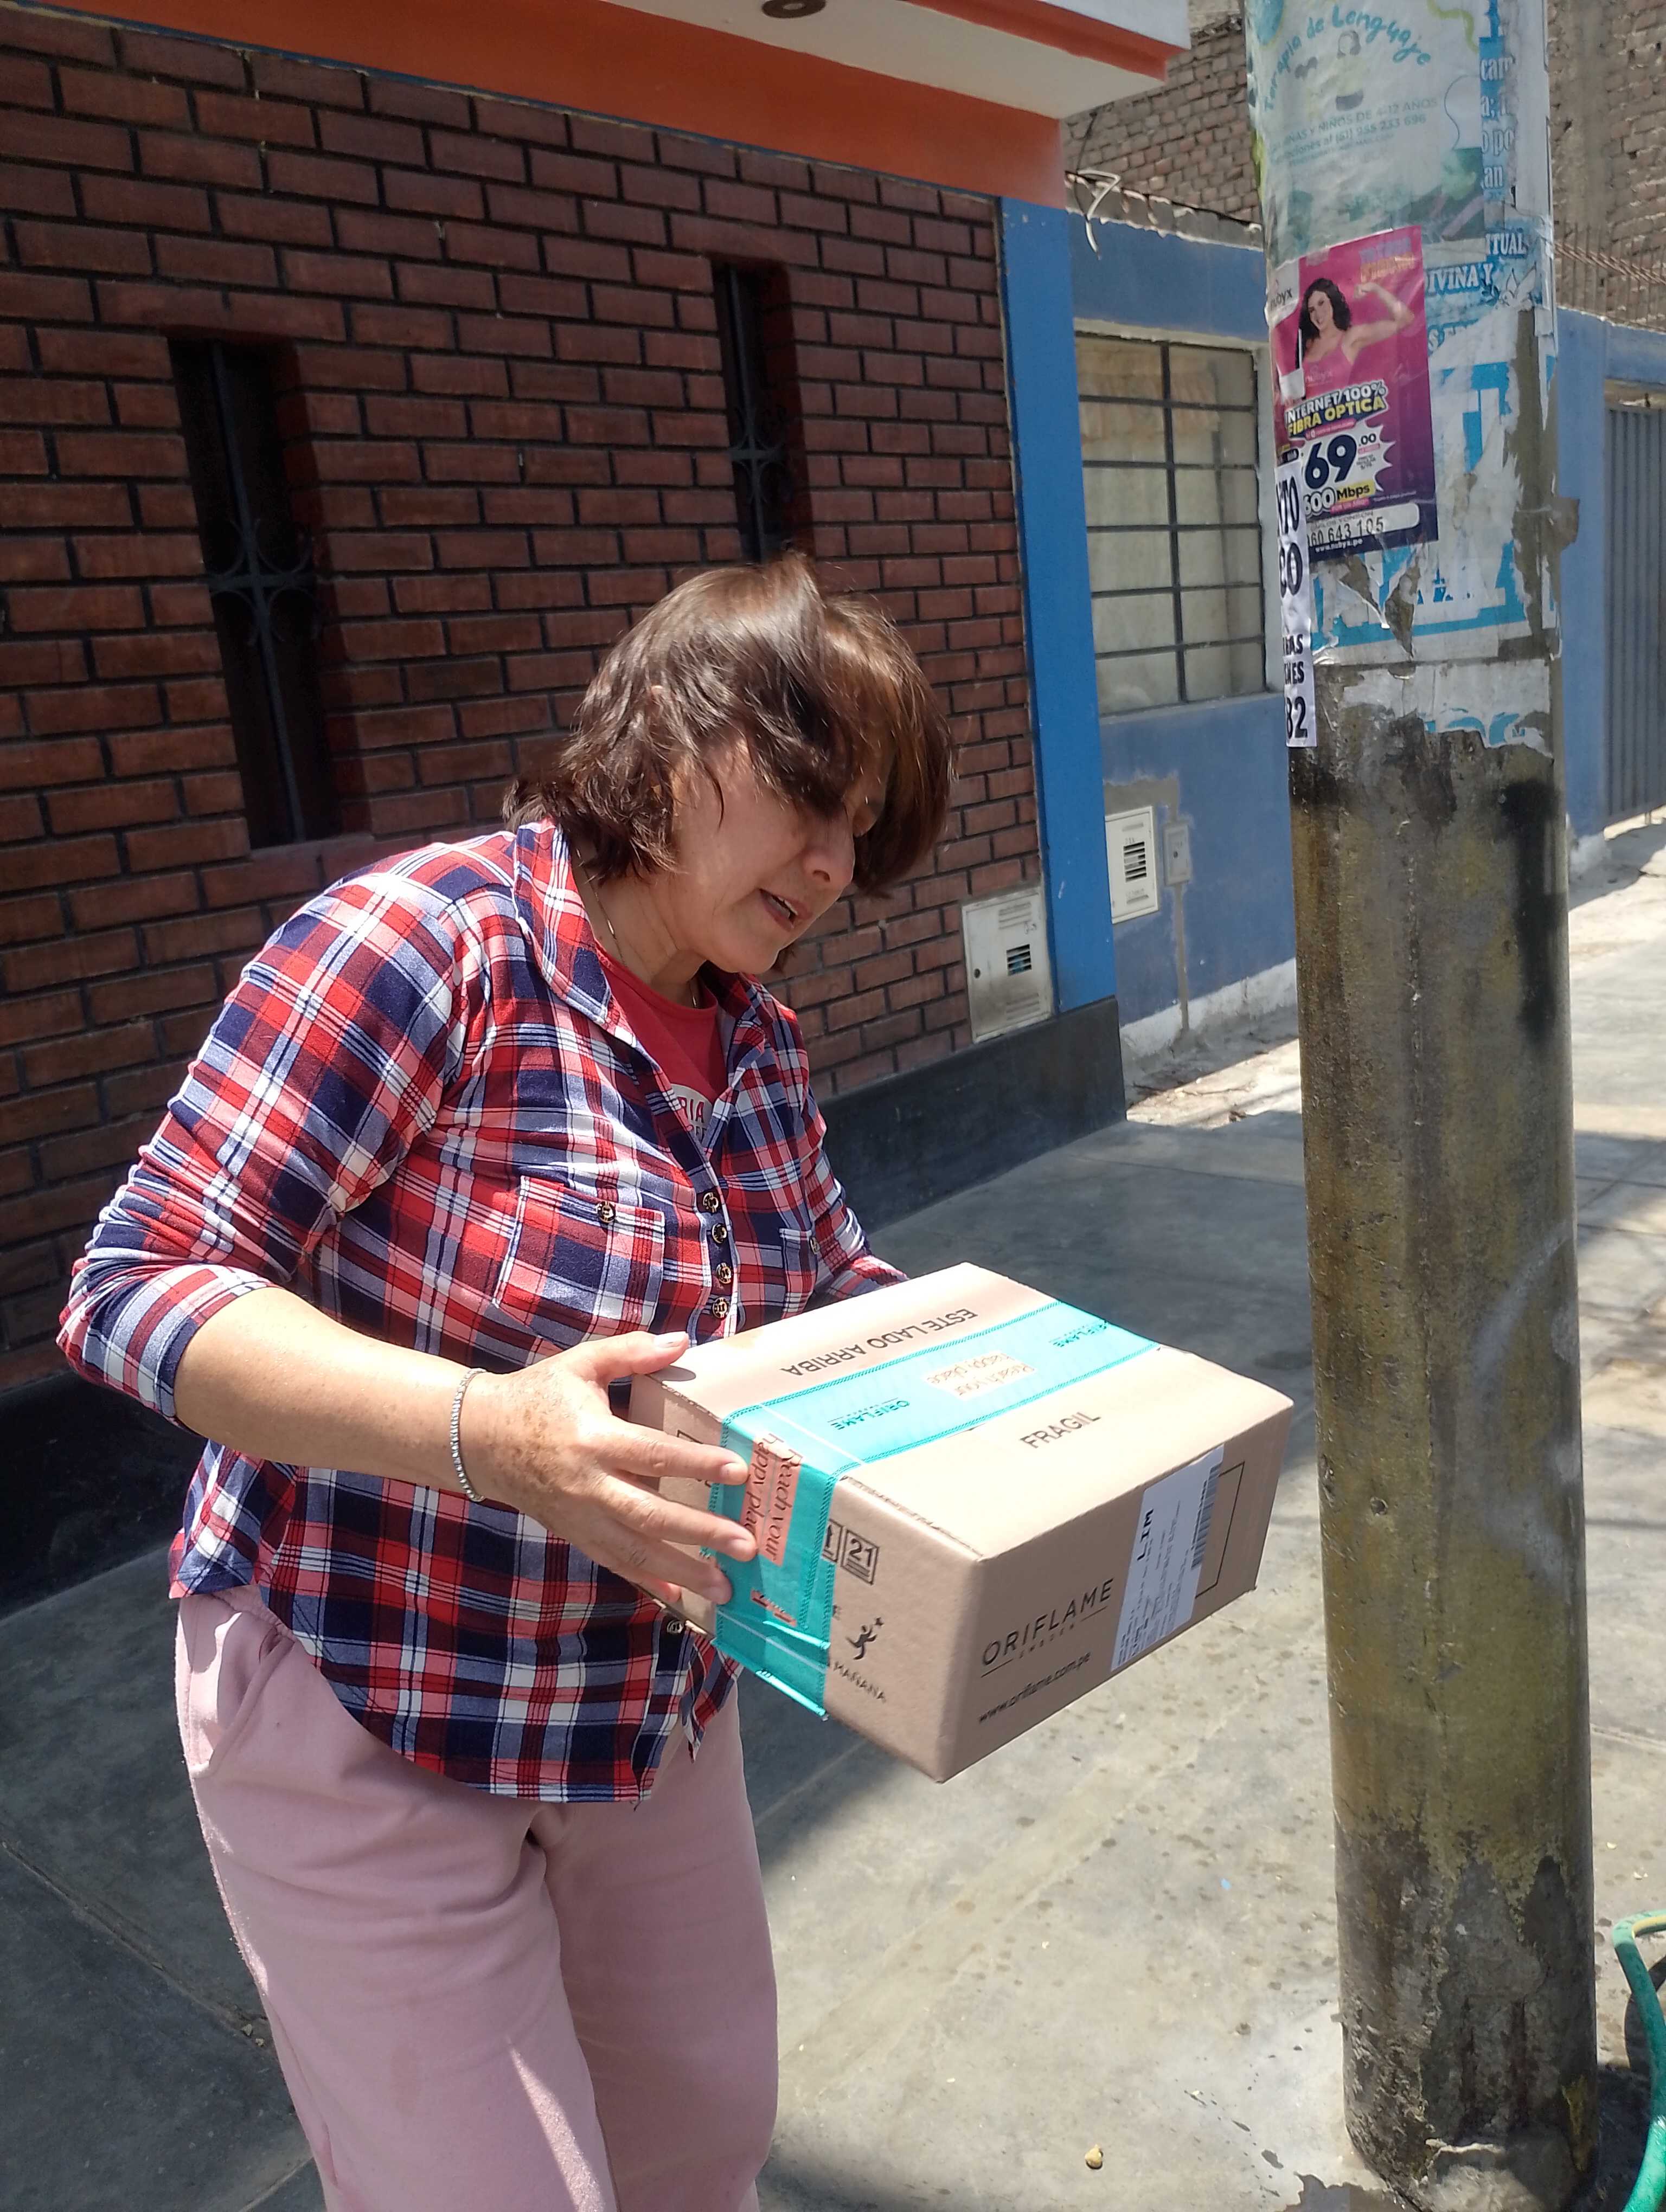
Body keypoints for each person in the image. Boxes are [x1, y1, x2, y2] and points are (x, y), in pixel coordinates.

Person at [59, 554, 952, 2212]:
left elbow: (822, 1288)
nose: (835, 865)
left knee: (700, 2138)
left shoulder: (754, 1040)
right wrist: (491, 1432)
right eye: (814, 796)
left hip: (642, 1701)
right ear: (675, 729)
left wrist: (983, 1380)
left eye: (865, 832)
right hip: (371, 1685)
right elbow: (137, 1283)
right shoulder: (427, 948)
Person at [1296, 272, 1413, 396]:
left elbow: (1405, 320)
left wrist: (1375, 288)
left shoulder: (1351, 338)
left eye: (1321, 303)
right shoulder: (1304, 343)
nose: (1318, 314)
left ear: (1332, 301)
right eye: (1312, 310)